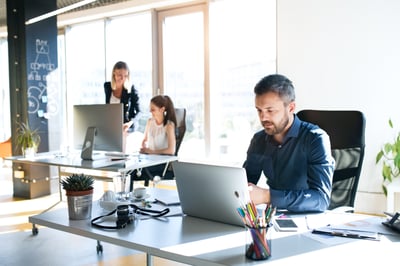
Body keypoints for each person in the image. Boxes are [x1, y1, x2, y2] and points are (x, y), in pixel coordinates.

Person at [243, 74, 335, 213]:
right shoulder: (259, 140)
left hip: (309, 220)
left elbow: (320, 200)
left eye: (270, 110)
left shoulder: (316, 139)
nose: (263, 117)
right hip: (272, 217)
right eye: (259, 110)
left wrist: (267, 196)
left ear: (291, 108)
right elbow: (244, 184)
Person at [130, 95, 177, 188]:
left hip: (160, 163)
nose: (150, 111)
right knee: (128, 170)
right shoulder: (150, 122)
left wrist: (151, 152)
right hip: (149, 160)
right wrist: (143, 146)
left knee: (131, 172)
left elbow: (171, 151)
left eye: (153, 109)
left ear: (162, 109)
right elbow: (145, 139)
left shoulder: (169, 126)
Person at [104, 61, 140, 132]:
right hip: (111, 125)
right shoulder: (107, 86)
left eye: (125, 76)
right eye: (120, 75)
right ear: (114, 73)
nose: (123, 78)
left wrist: (130, 123)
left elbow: (140, 111)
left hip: (126, 127)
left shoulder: (131, 89)